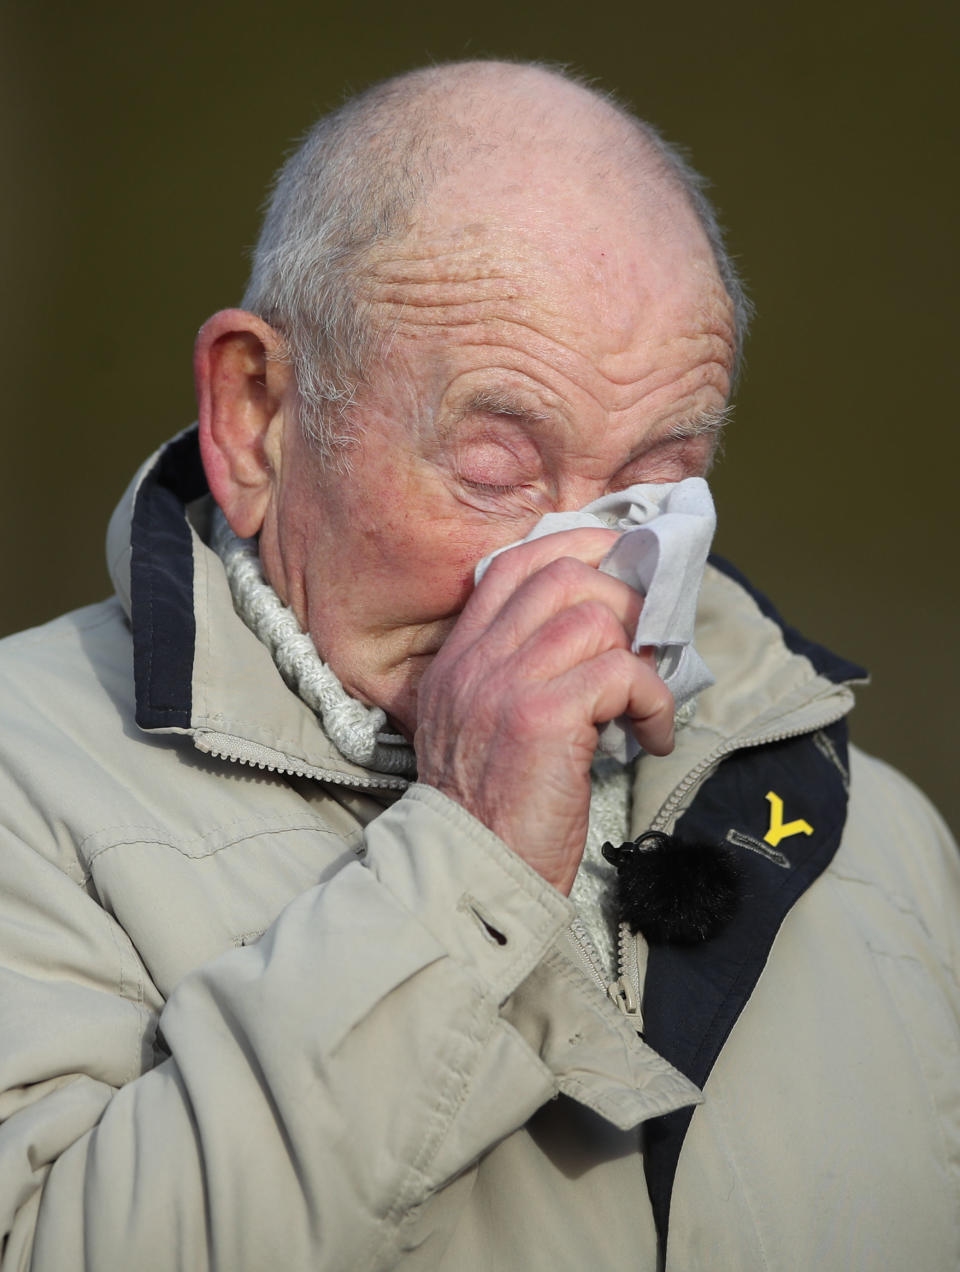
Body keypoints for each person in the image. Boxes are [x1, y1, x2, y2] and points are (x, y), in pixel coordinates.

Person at [0, 59, 957, 1271]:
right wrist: (468, 859)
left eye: (653, 486)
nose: (579, 580)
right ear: (255, 416)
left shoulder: (882, 842)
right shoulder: (25, 794)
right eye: (497, 470)